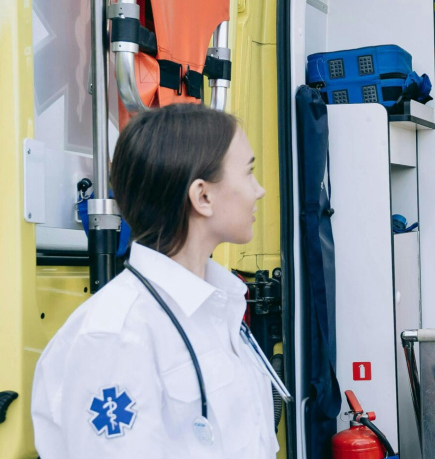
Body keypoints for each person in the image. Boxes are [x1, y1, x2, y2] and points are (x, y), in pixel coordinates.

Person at [31, 104, 278, 458]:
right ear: (202, 196)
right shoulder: (114, 338)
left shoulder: (219, 306)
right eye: (249, 173)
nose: (260, 190)